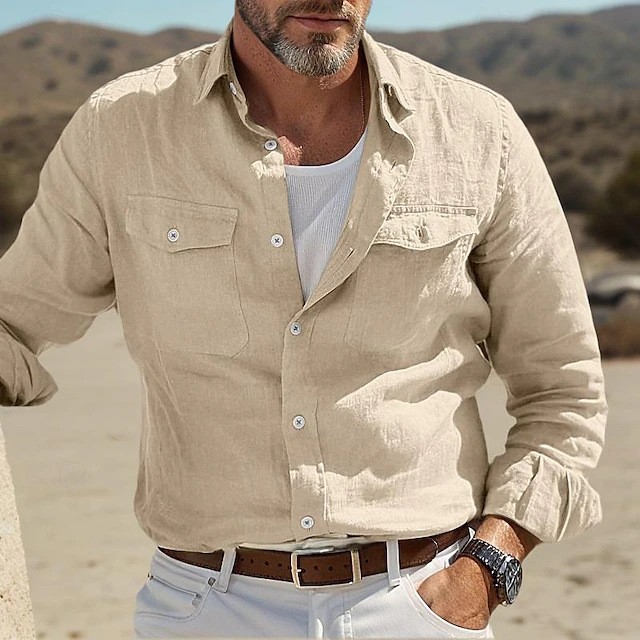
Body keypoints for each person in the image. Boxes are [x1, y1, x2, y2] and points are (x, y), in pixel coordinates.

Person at [0, 0, 608, 638]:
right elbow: (12, 322)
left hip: (423, 600)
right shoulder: (122, 129)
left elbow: (563, 387)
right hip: (207, 607)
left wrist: (487, 568)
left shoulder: (479, 132)